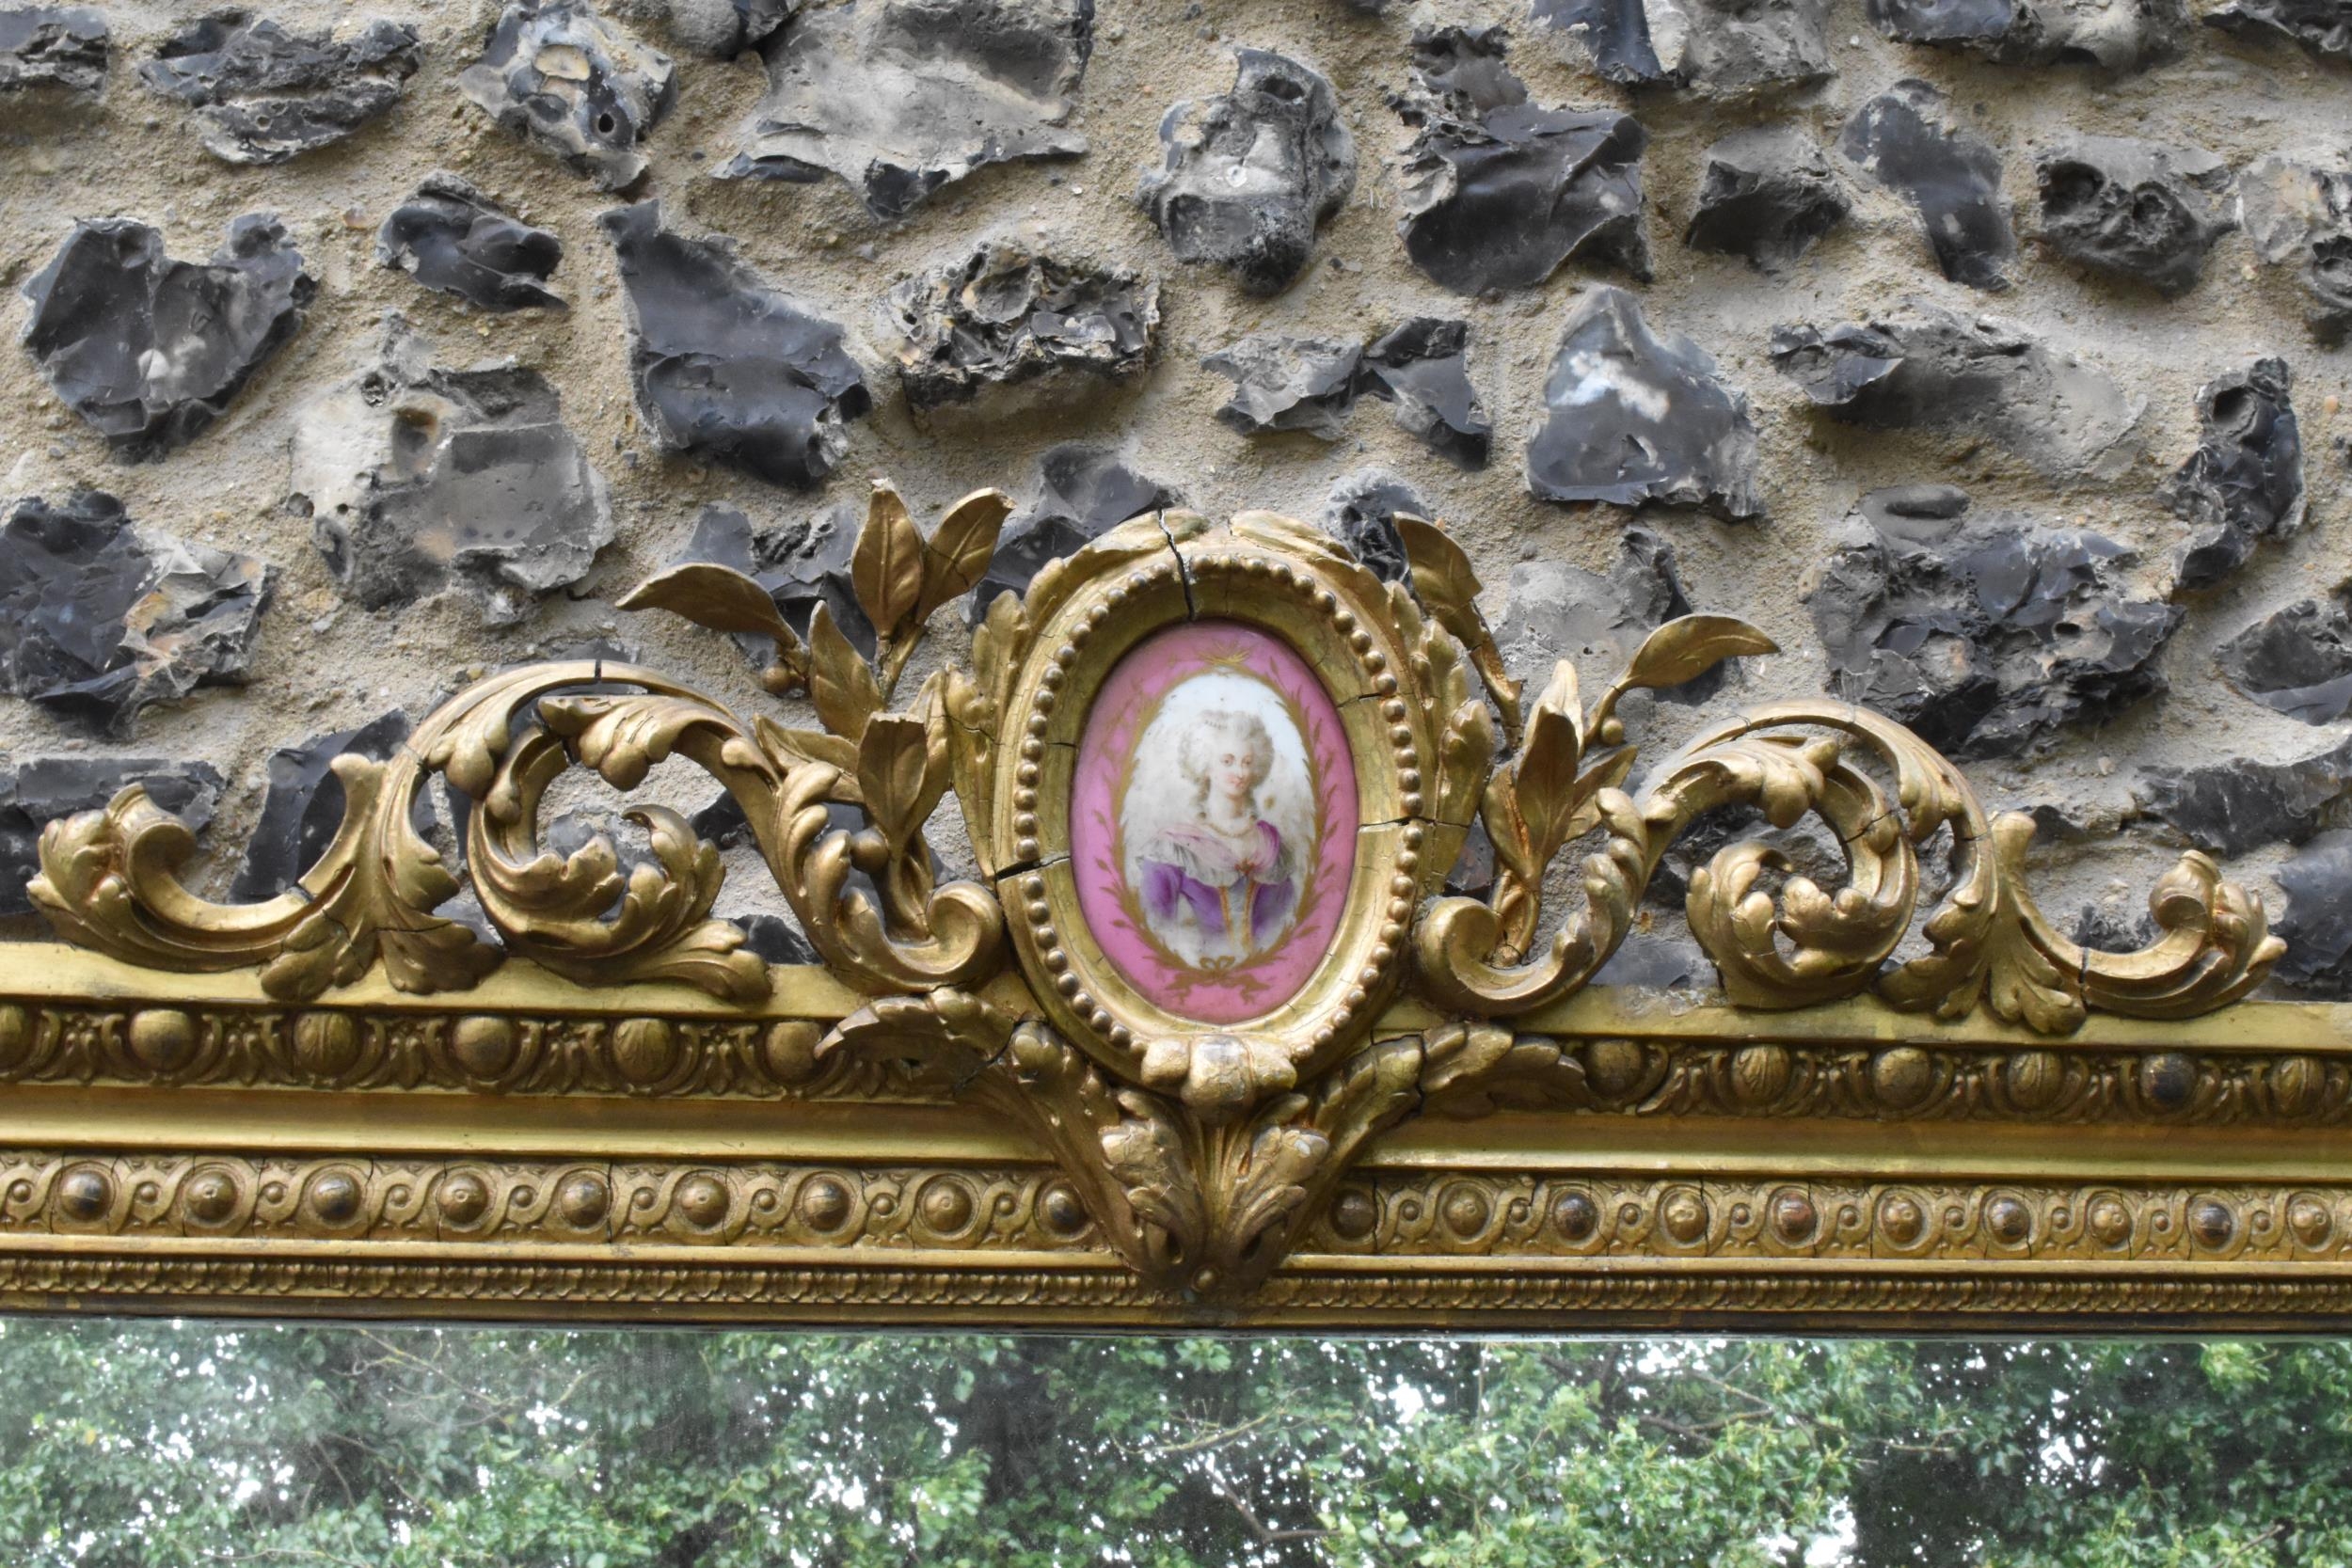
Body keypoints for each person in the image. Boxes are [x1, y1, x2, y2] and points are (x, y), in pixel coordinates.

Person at [1134, 707, 1301, 965]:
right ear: (1206, 766)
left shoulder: (1272, 846)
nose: (1240, 772)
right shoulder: (1173, 846)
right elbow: (1155, 933)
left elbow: (1290, 928)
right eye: (1228, 761)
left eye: (1247, 762)